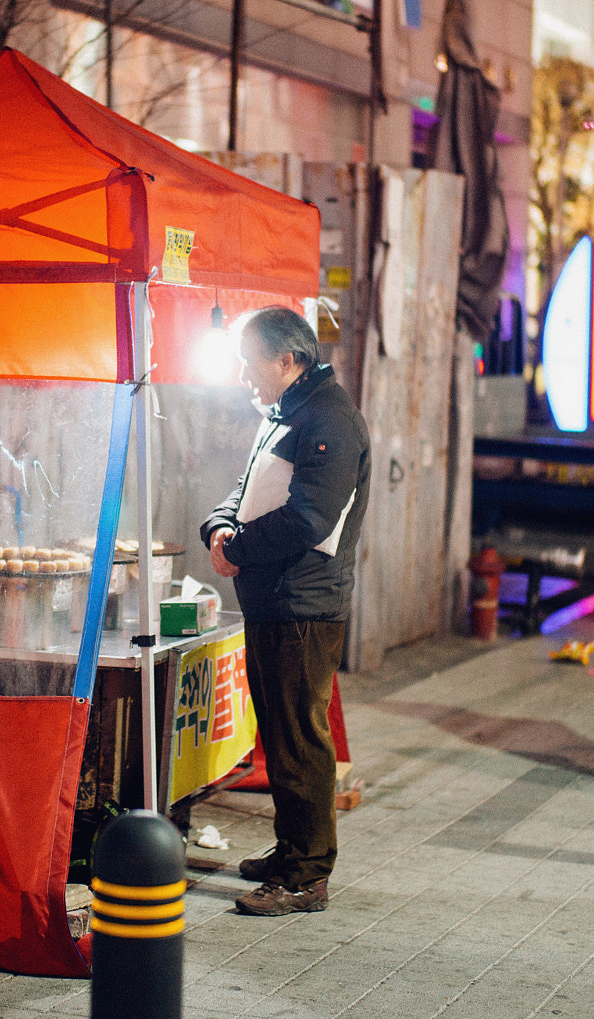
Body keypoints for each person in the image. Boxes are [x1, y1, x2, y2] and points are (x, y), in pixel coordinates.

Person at [201, 306, 370, 917]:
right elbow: (247, 490)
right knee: (279, 732)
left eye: (251, 363)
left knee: (299, 739)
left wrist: (238, 548)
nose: (245, 375)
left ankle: (305, 876)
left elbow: (309, 518)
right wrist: (219, 527)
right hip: (273, 601)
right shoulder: (286, 412)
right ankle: (290, 849)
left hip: (303, 605)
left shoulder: (331, 420)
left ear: (287, 360)